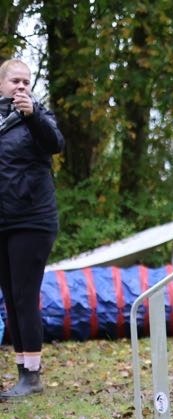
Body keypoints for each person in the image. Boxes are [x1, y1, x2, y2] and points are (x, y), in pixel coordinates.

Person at [0, 59, 65, 400]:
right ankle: (22, 371)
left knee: (26, 296)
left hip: (33, 221)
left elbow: (55, 144)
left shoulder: (39, 117)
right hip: (4, 223)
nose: (22, 86)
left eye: (26, 81)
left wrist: (33, 115)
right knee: (10, 297)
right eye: (15, 81)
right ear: (2, 85)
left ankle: (33, 376)